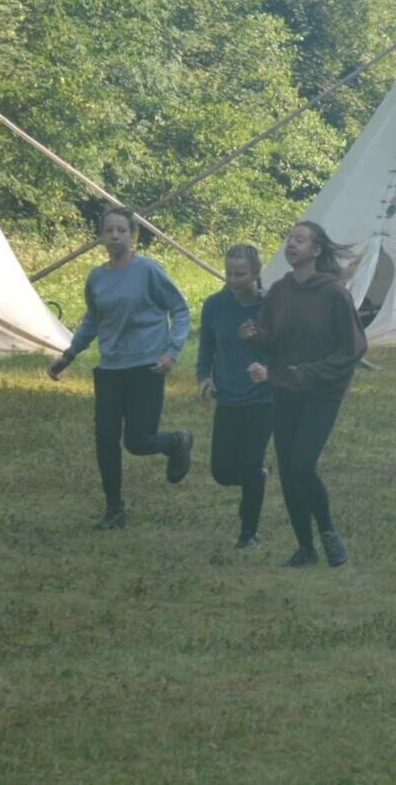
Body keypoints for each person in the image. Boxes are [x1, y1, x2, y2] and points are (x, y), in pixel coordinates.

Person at [48, 206, 194, 530]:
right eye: (109, 230)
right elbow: (93, 319)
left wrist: (172, 351)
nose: (115, 236)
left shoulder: (148, 271)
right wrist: (69, 355)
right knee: (105, 440)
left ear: (133, 235)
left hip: (147, 367)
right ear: (101, 235)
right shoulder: (96, 278)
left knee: (138, 442)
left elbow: (180, 309)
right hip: (110, 370)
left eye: (121, 230)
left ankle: (177, 442)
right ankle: (114, 508)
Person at [244, 221, 367, 567]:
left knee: (302, 464)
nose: (291, 245)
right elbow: (271, 338)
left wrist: (308, 373)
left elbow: (354, 348)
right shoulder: (279, 292)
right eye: (289, 239)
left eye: (300, 240)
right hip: (285, 388)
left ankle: (327, 531)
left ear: (316, 250)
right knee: (287, 468)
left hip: (322, 392)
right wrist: (254, 336)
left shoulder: (334, 293)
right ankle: (305, 548)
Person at [197, 244, 274, 549]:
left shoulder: (270, 306)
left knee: (251, 462)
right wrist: (204, 376)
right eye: (229, 273)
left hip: (262, 398)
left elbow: (286, 346)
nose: (233, 280)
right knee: (222, 470)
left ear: (255, 273)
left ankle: (248, 533)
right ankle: (257, 481)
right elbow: (206, 345)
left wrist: (268, 369)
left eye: (240, 274)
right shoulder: (215, 305)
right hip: (227, 395)